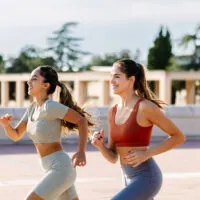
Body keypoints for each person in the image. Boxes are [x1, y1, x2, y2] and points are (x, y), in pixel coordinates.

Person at [91, 59, 185, 200]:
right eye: (111, 76)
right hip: (126, 176)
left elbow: (178, 136)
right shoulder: (113, 112)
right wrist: (100, 146)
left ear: (131, 80)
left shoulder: (144, 107)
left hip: (146, 177)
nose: (111, 81)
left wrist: (147, 153)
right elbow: (113, 157)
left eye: (116, 76)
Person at [0, 66, 94, 200]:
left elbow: (81, 120)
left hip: (60, 168)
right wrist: (6, 125)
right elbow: (15, 135)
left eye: (34, 79)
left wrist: (81, 152)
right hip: (49, 167)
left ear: (45, 85)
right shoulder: (32, 108)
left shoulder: (50, 107)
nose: (28, 82)